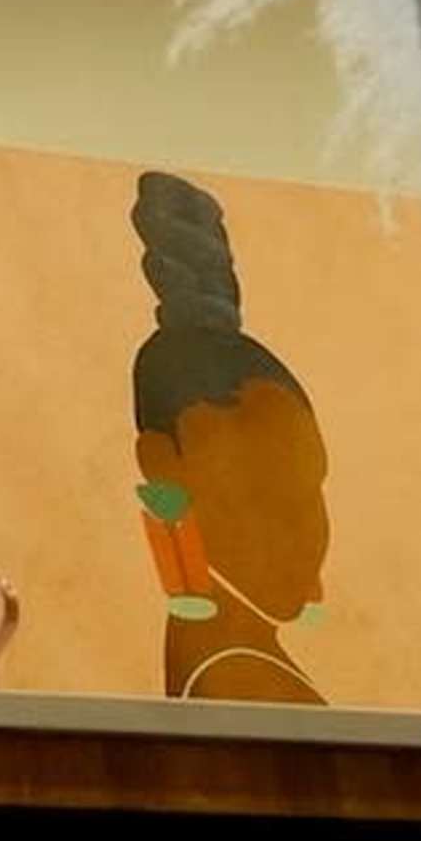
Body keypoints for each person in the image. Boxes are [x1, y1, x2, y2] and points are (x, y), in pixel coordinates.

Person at [127, 171, 330, 708]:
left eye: (311, 492)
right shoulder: (236, 677)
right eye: (261, 494)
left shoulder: (238, 658)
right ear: (161, 465)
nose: (302, 533)